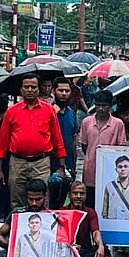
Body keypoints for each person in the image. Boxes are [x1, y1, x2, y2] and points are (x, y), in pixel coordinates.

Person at [0, 75, 67, 208]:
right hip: (17, 163)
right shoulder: (11, 111)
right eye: (26, 87)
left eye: (33, 87)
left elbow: (58, 139)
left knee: (41, 201)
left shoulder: (49, 110)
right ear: (21, 90)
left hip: (41, 163)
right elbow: (2, 142)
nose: (30, 90)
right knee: (17, 201)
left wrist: (61, 167)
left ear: (38, 89)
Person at [78, 91, 126, 208]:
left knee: (108, 200)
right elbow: (84, 145)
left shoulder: (118, 124)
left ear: (110, 105)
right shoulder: (87, 122)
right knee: (90, 200)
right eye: (98, 105)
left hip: (110, 169)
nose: (100, 109)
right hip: (90, 169)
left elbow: (121, 148)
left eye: (104, 106)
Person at [51, 77, 79, 208]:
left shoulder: (71, 113)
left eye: (66, 91)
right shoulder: (48, 112)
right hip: (51, 164)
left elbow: (73, 139)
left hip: (68, 163)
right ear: (53, 91)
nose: (63, 93)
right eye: (60, 90)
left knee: (63, 201)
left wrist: (73, 165)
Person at [64, 182, 106, 257]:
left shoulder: (90, 212)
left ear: (86, 195)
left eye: (82, 193)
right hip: (67, 251)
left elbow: (95, 232)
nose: (78, 196)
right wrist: (70, 246)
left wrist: (100, 246)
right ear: (69, 195)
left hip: (84, 251)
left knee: (104, 248)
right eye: (75, 193)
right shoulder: (62, 212)